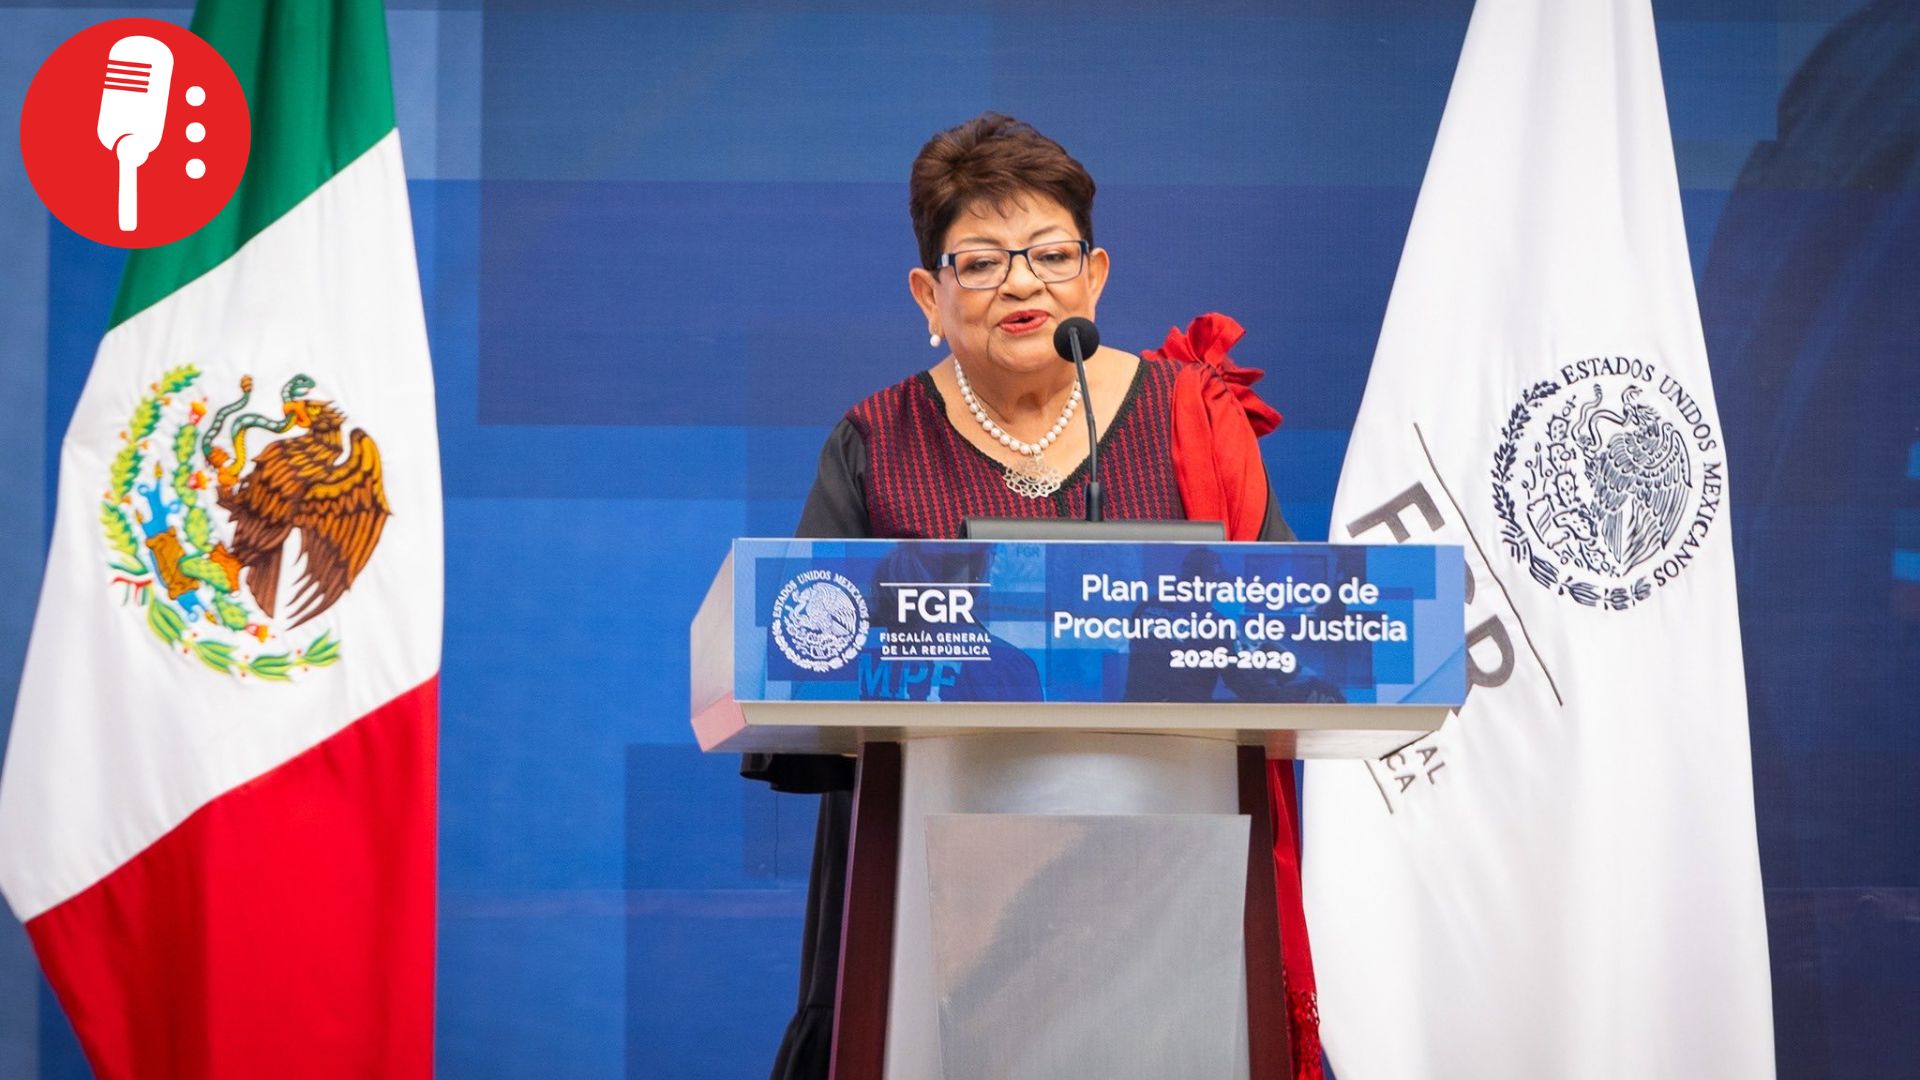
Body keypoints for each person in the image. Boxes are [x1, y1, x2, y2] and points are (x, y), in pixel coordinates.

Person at [745, 112, 1321, 1080]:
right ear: (930, 294)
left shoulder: (1191, 418)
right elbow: (804, 660)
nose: (1021, 283)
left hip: (1167, 903)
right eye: (981, 262)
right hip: (935, 905)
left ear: (1094, 276)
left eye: (1050, 255)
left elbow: (1290, 642)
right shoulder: (877, 440)